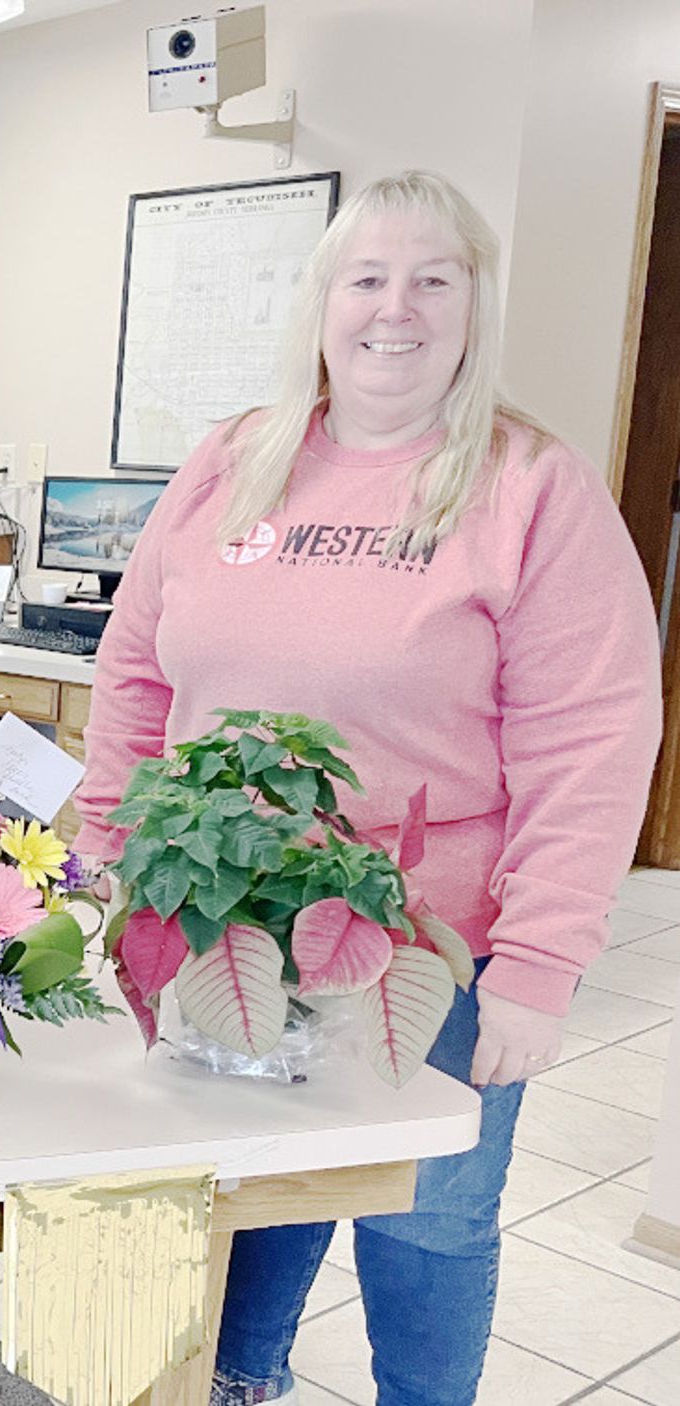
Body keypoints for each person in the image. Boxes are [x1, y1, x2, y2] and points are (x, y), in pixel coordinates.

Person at [70, 170, 663, 1406]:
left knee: (428, 1215)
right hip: (221, 930)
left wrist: (541, 966)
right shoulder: (235, 459)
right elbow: (131, 675)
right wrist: (106, 862)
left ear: (474, 304)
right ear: (324, 301)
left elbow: (594, 738)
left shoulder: (531, 488)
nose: (397, 308)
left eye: (434, 278)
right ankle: (234, 1380)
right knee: (250, 1184)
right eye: (369, 277)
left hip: (427, 946)